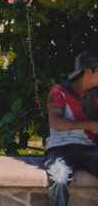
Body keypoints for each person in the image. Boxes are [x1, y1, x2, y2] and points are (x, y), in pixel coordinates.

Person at [44, 51, 98, 206]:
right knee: (59, 180)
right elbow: (54, 122)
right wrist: (89, 126)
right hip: (60, 148)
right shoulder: (59, 91)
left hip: (89, 148)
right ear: (88, 71)